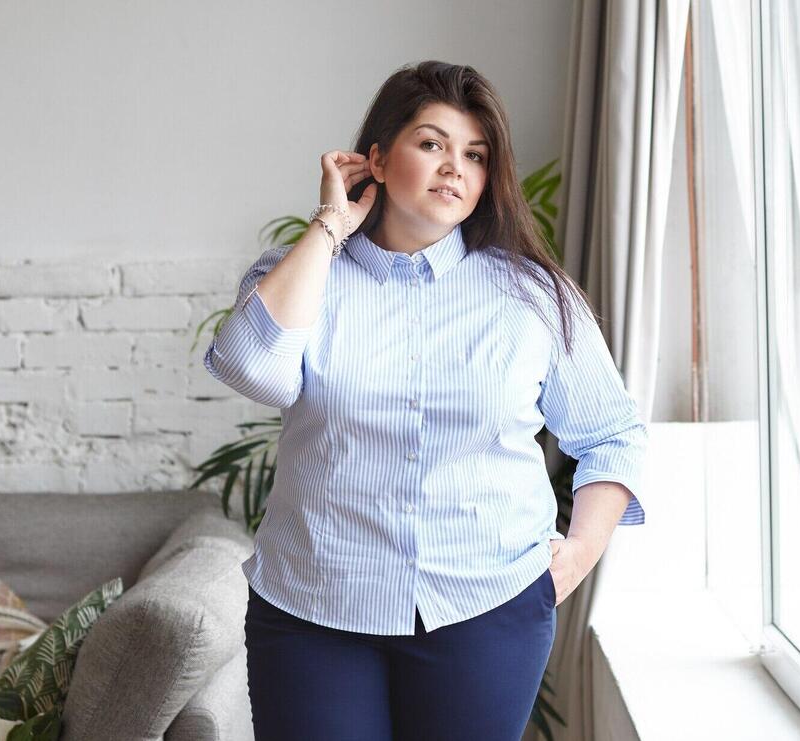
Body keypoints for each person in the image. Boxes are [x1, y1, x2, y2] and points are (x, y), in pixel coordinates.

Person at [204, 60, 647, 741]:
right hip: (313, 611)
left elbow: (611, 432)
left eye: (475, 154)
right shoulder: (303, 273)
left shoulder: (531, 294)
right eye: (432, 143)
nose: (455, 168)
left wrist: (580, 552)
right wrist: (330, 223)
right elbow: (252, 367)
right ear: (375, 159)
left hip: (486, 609)